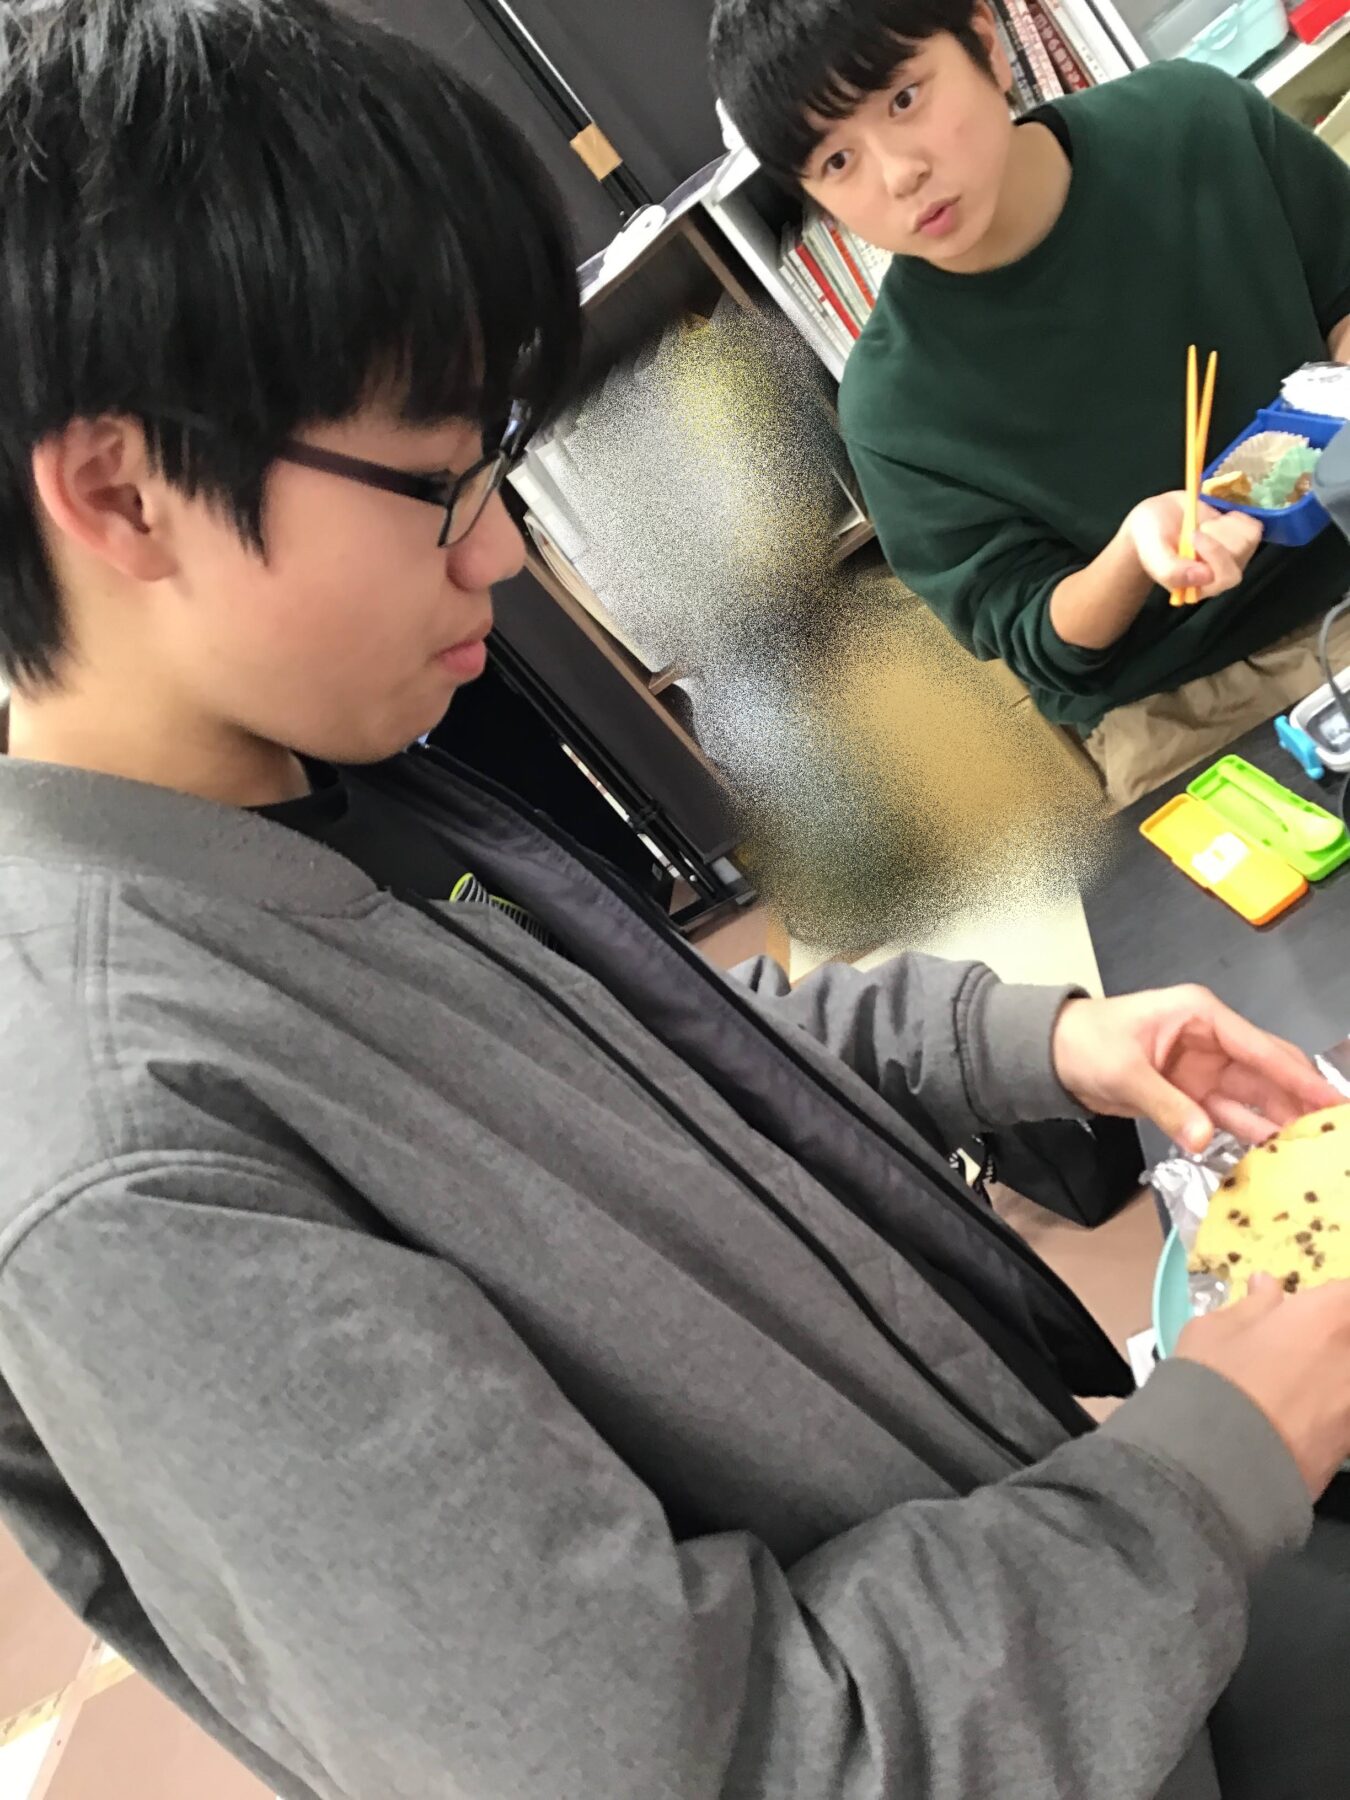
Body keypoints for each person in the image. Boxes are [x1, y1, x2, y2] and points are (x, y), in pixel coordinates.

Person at [1, 4, 1350, 1798]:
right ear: (122, 493)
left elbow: (676, 1051)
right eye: (442, 486)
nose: (501, 549)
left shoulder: (331, 793)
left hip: (1074, 1648)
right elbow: (700, 1758)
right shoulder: (123, 1172)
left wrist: (1043, 1043)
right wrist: (1213, 1460)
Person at [709, 0, 1350, 806]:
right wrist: (1132, 553)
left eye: (904, 98)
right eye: (838, 161)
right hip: (1179, 704)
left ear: (986, 44)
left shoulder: (1193, 123)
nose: (898, 174)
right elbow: (1036, 635)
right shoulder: (892, 408)